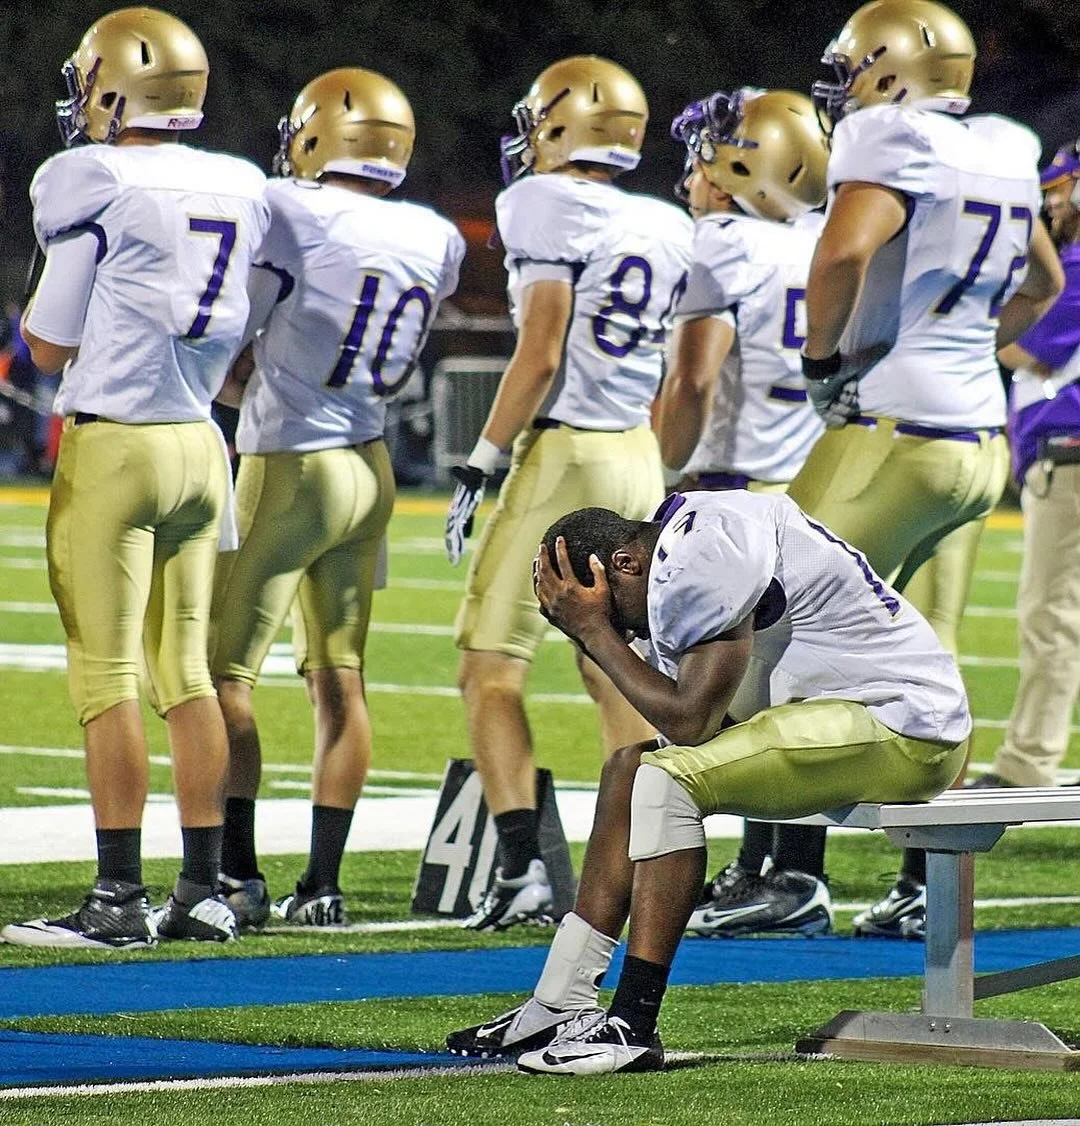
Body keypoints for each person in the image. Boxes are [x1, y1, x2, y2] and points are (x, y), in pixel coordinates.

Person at [696, 0, 1063, 942]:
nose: (843, 85)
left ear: (892, 69)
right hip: (976, 443)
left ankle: (786, 873)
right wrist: (967, 350)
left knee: (777, 624)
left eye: (853, 66)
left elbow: (844, 253)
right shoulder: (1007, 146)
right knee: (928, 653)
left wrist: (828, 362)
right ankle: (922, 881)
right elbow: (1043, 284)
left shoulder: (888, 136)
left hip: (893, 430)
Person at [446, 492, 971, 1073]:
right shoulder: (671, 554)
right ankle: (560, 1001)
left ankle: (634, 1024)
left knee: (667, 781)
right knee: (627, 770)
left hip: (905, 727)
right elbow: (697, 717)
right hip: (840, 714)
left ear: (624, 563)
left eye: (614, 613)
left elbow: (690, 721)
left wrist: (595, 632)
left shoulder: (705, 553)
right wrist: (594, 626)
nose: (624, 629)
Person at [0, 7, 270, 948]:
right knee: (186, 675)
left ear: (114, 89)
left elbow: (47, 343)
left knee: (106, 676)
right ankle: (201, 889)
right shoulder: (240, 182)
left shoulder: (92, 178)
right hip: (202, 445)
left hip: (117, 447)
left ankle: (116, 898)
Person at [443, 56, 693, 931]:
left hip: (568, 453)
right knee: (615, 670)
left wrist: (481, 459)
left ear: (559, 125)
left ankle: (520, 869)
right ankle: (644, 862)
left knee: (490, 668)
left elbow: (542, 348)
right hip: (636, 452)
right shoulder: (666, 222)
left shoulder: (542, 202)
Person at [210, 68, 464, 927]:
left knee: (218, 676)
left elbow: (229, 335)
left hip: (292, 466)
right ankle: (321, 886)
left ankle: (234, 874)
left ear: (318, 136)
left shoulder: (291, 209)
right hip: (370, 462)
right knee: (340, 678)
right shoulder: (433, 235)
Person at [655, 87, 833, 937]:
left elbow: (693, 381)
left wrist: (658, 466)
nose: (694, 171)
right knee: (781, 689)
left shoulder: (724, 243)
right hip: (805, 481)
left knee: (754, 698)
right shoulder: (818, 240)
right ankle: (769, 864)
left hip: (734, 487)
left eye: (709, 153)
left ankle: (792, 875)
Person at [971, 142, 1080, 789]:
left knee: (1050, 614)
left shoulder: (1075, 264)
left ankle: (1027, 764)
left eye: (1061, 190)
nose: (1052, 204)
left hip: (1071, 455)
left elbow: (1022, 344)